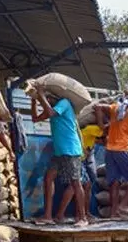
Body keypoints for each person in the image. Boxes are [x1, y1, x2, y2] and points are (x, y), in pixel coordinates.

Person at [31, 93, 87, 226]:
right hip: (59, 152)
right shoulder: (54, 108)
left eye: (49, 98)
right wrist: (33, 101)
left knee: (75, 183)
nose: (47, 101)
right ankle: (48, 216)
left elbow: (50, 112)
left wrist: (40, 94)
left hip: (70, 151)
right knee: (48, 178)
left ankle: (83, 218)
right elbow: (34, 119)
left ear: (55, 96)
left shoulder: (64, 102)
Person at [95, 94, 128, 218]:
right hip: (122, 149)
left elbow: (97, 106)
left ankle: (114, 213)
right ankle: (123, 206)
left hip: (109, 150)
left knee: (114, 182)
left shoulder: (116, 108)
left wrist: (102, 127)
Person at [80, 123, 104, 213]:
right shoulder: (92, 129)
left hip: (86, 156)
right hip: (80, 158)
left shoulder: (92, 137)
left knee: (88, 185)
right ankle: (81, 214)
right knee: (78, 186)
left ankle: (86, 213)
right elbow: (105, 135)